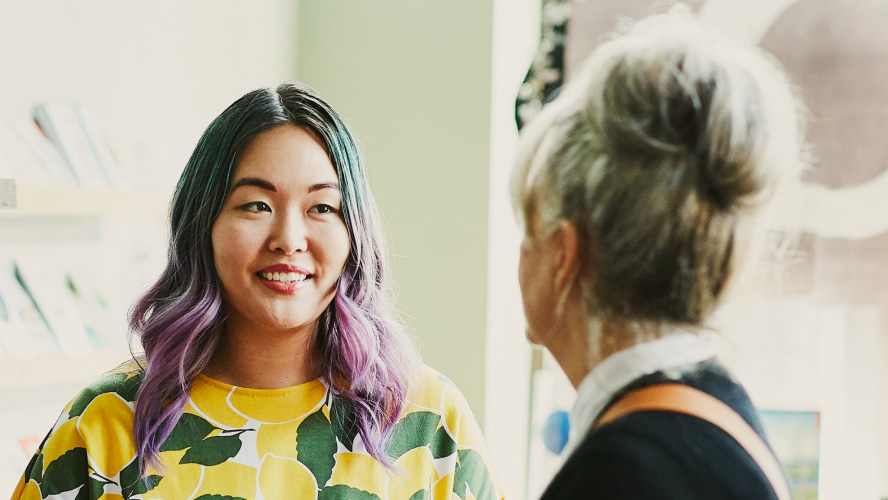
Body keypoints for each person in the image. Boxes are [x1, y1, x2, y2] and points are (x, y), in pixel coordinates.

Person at [15, 83, 503, 500]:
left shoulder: (428, 422)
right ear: (203, 223)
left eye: (322, 208)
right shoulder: (105, 422)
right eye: (255, 205)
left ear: (355, 231)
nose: (289, 239)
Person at [511, 8, 805, 500]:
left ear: (565, 255)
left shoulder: (617, 474)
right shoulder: (720, 422)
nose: (520, 254)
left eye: (528, 228)